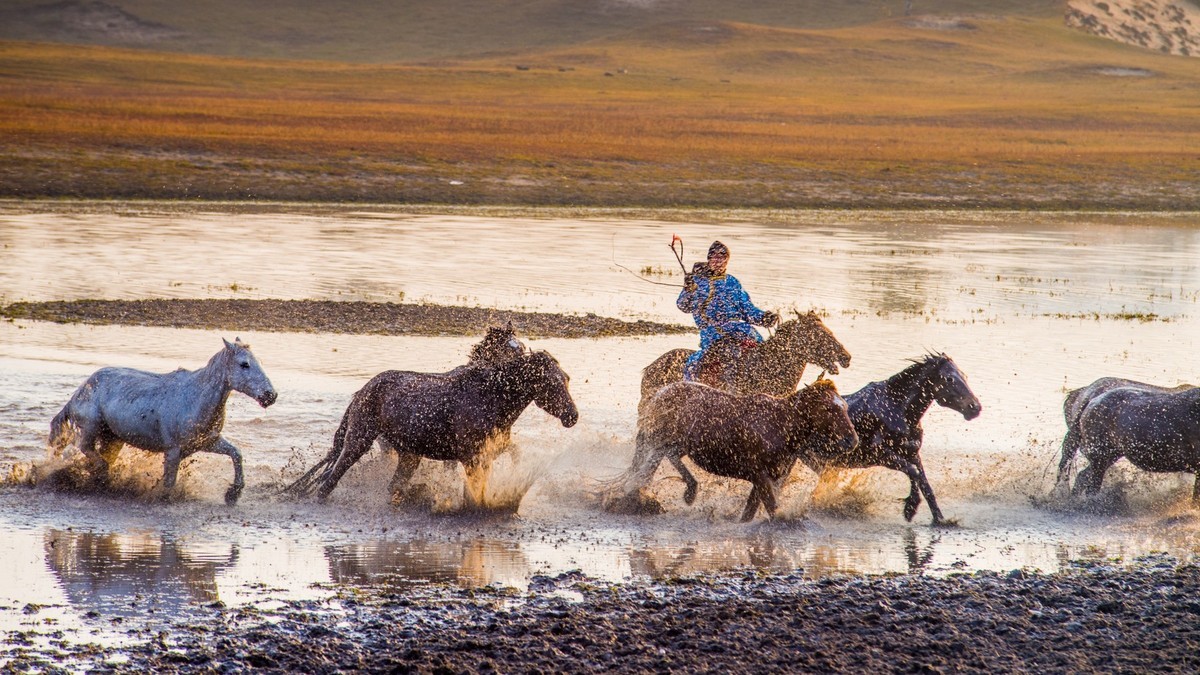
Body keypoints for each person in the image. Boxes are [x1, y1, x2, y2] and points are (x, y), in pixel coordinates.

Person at [677, 240, 778, 382]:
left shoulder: (733, 282)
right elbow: (683, 306)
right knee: (730, 354)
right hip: (714, 332)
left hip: (741, 330)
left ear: (727, 260)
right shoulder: (697, 282)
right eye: (714, 256)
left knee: (765, 354)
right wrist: (688, 290)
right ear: (709, 259)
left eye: (722, 257)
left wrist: (764, 318)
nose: (718, 260)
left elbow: (747, 310)